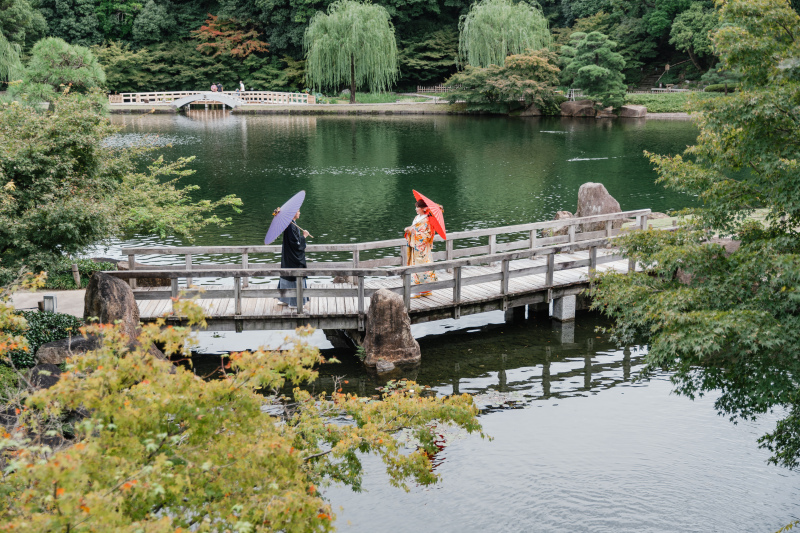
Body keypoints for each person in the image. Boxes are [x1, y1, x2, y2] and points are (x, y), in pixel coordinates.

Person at [404, 199, 438, 297]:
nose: (416, 209)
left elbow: (428, 235)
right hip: (415, 246)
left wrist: (415, 233)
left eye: (418, 207)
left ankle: (418, 290)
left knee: (421, 268)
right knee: (415, 266)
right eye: (416, 207)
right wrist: (408, 230)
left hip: (422, 248)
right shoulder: (417, 217)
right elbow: (413, 228)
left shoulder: (427, 220)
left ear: (424, 208)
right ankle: (423, 290)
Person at [277, 209, 310, 310]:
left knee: (288, 275)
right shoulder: (291, 225)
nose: (300, 213)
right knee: (294, 275)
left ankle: (286, 299)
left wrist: (301, 237)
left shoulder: (291, 224)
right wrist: (304, 237)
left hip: (289, 256)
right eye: (298, 211)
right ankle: (294, 303)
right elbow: (296, 244)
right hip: (292, 258)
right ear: (293, 213)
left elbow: (294, 241)